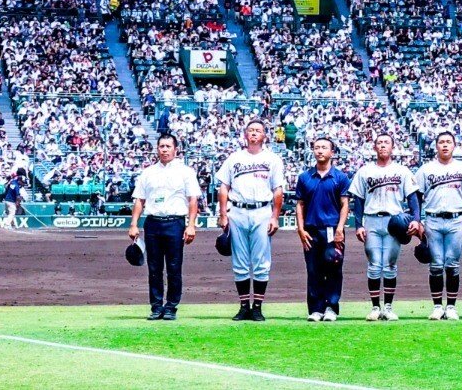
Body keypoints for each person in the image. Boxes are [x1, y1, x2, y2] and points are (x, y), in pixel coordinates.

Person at [215, 120, 286, 322]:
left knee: (262, 261)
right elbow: (223, 187)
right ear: (245, 135)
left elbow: (278, 190)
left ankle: (258, 307)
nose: (254, 133)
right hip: (237, 210)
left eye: (258, 130)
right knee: (240, 262)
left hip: (262, 211)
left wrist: (275, 216)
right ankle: (244, 306)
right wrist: (223, 213)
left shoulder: (272, 159)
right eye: (251, 130)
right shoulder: (234, 158)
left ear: (265, 136)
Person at [127, 135, 200, 321]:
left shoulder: (186, 172)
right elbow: (140, 200)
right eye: (161, 146)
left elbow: (193, 200)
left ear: (176, 149)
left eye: (168, 146)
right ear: (157, 149)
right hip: (153, 223)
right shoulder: (148, 172)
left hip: (175, 223)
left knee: (174, 267)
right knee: (154, 268)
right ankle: (156, 306)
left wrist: (191, 225)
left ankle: (171, 307)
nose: (164, 150)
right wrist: (134, 224)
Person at [348, 133, 420, 321]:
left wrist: (416, 219)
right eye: (379, 143)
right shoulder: (365, 171)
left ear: (392, 147)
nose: (382, 146)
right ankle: (374, 307)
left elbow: (413, 197)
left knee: (389, 265)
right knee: (373, 264)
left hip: (393, 221)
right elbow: (358, 199)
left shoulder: (402, 171)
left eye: (386, 143)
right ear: (374, 147)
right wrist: (358, 225)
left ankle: (387, 307)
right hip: (371, 219)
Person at [415, 131, 462, 321]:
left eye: (448, 142)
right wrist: (418, 221)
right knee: (435, 265)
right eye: (441, 142)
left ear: (454, 146)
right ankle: (437, 306)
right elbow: (416, 196)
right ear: (436, 146)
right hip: (433, 220)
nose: (445, 145)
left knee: (452, 264)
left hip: (456, 220)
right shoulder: (426, 169)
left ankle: (451, 306)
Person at [294, 136, 351, 322]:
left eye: (324, 147)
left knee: (333, 268)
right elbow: (300, 205)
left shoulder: (340, 177)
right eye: (317, 147)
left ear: (332, 152)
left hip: (332, 229)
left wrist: (340, 229)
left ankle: (331, 307)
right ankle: (316, 309)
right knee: (313, 270)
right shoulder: (305, 178)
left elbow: (345, 204)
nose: (320, 151)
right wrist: (301, 229)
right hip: (311, 230)